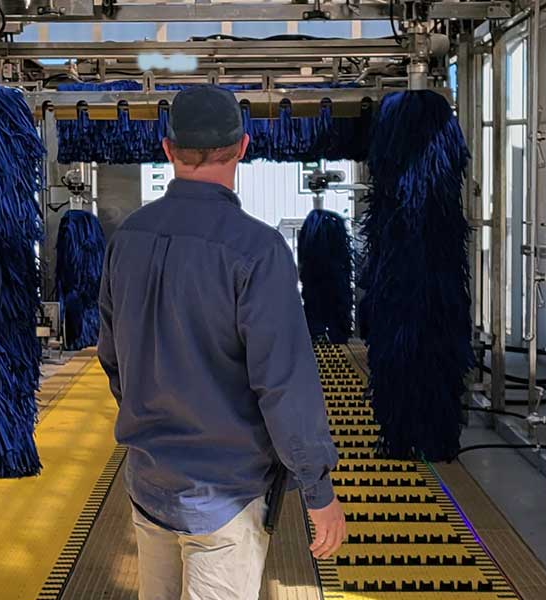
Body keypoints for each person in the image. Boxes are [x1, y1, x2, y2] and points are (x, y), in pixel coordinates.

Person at [96, 85, 345, 600]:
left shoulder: (128, 240)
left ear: (167, 151)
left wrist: (154, 420)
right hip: (225, 495)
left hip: (149, 481)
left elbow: (113, 356)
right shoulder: (256, 250)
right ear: (244, 147)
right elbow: (284, 384)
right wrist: (318, 490)